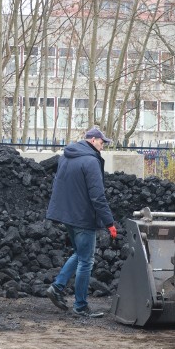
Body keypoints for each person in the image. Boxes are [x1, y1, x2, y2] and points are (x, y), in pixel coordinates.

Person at [45, 126, 117, 318]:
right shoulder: (91, 161)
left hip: (67, 215)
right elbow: (97, 196)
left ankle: (57, 287)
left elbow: (60, 186)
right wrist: (109, 222)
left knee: (79, 253)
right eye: (102, 142)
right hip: (83, 217)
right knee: (86, 260)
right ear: (92, 140)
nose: (103, 146)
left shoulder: (67, 156)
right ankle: (81, 306)